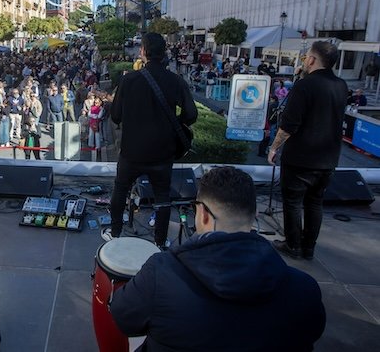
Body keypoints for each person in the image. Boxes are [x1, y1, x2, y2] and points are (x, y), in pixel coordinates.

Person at [110, 167, 326, 351]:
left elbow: (123, 319)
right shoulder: (305, 290)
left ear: (202, 214)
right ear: (254, 216)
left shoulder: (161, 274)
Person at [104, 33, 198, 248]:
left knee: (121, 189)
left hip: (132, 150)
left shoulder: (129, 79)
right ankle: (159, 240)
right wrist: (173, 123)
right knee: (162, 197)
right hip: (162, 151)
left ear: (144, 52)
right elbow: (191, 114)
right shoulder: (176, 80)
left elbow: (116, 115)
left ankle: (115, 232)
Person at [268, 41, 348, 259]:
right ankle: (308, 247)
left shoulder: (304, 86)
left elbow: (288, 125)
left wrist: (273, 148)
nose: (304, 61)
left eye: (306, 57)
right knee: (315, 203)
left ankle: (293, 245)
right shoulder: (342, 85)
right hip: (328, 159)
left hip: (301, 158)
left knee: (293, 203)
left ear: (312, 60)